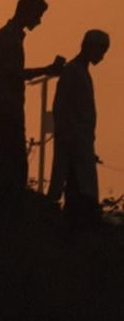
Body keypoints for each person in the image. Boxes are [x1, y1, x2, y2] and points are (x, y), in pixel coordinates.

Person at [0, 0, 62, 187]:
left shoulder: (11, 36)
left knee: (13, 167)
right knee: (15, 169)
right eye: (38, 15)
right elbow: (12, 74)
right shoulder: (9, 37)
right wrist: (47, 70)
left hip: (7, 108)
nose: (39, 21)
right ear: (27, 12)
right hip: (5, 109)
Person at [51, 29, 108, 225]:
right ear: (90, 47)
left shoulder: (81, 72)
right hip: (73, 146)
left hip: (81, 145)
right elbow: (61, 109)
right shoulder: (73, 71)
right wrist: (70, 141)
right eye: (101, 50)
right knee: (78, 197)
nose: (102, 56)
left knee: (83, 195)